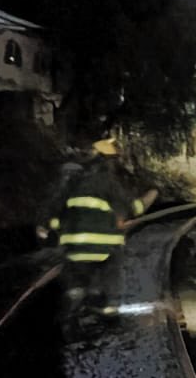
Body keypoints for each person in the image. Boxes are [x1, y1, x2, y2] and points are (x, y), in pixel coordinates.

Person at [48, 135, 157, 318]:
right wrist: (152, 194)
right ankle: (108, 309)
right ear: (108, 162)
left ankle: (75, 301)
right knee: (110, 282)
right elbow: (134, 209)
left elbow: (55, 215)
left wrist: (57, 232)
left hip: (73, 251)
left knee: (77, 284)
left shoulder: (72, 183)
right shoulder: (109, 183)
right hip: (104, 251)